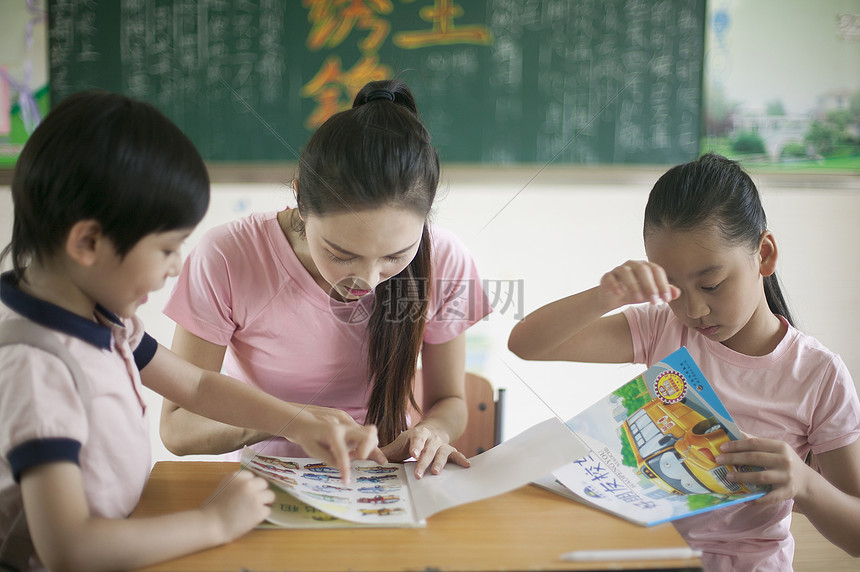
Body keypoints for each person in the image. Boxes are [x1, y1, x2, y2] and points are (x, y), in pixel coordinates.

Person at [0, 90, 382, 571]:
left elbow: (197, 384)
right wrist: (215, 525)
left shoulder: (101, 319)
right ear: (88, 241)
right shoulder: (37, 364)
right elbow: (70, 550)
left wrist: (300, 423)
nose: (176, 267)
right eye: (166, 249)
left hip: (124, 537)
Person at [508, 153, 860, 570]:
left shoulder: (817, 375)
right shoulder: (661, 327)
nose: (695, 310)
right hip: (648, 555)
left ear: (763, 255)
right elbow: (527, 344)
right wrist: (606, 296)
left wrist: (805, 484)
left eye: (711, 285)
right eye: (672, 288)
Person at [160, 79, 492, 479]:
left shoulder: (445, 258)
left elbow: (450, 400)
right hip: (271, 485)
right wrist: (286, 421)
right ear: (300, 200)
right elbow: (178, 426)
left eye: (395, 256)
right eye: (341, 254)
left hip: (390, 481)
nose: (368, 280)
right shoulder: (228, 257)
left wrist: (431, 431)